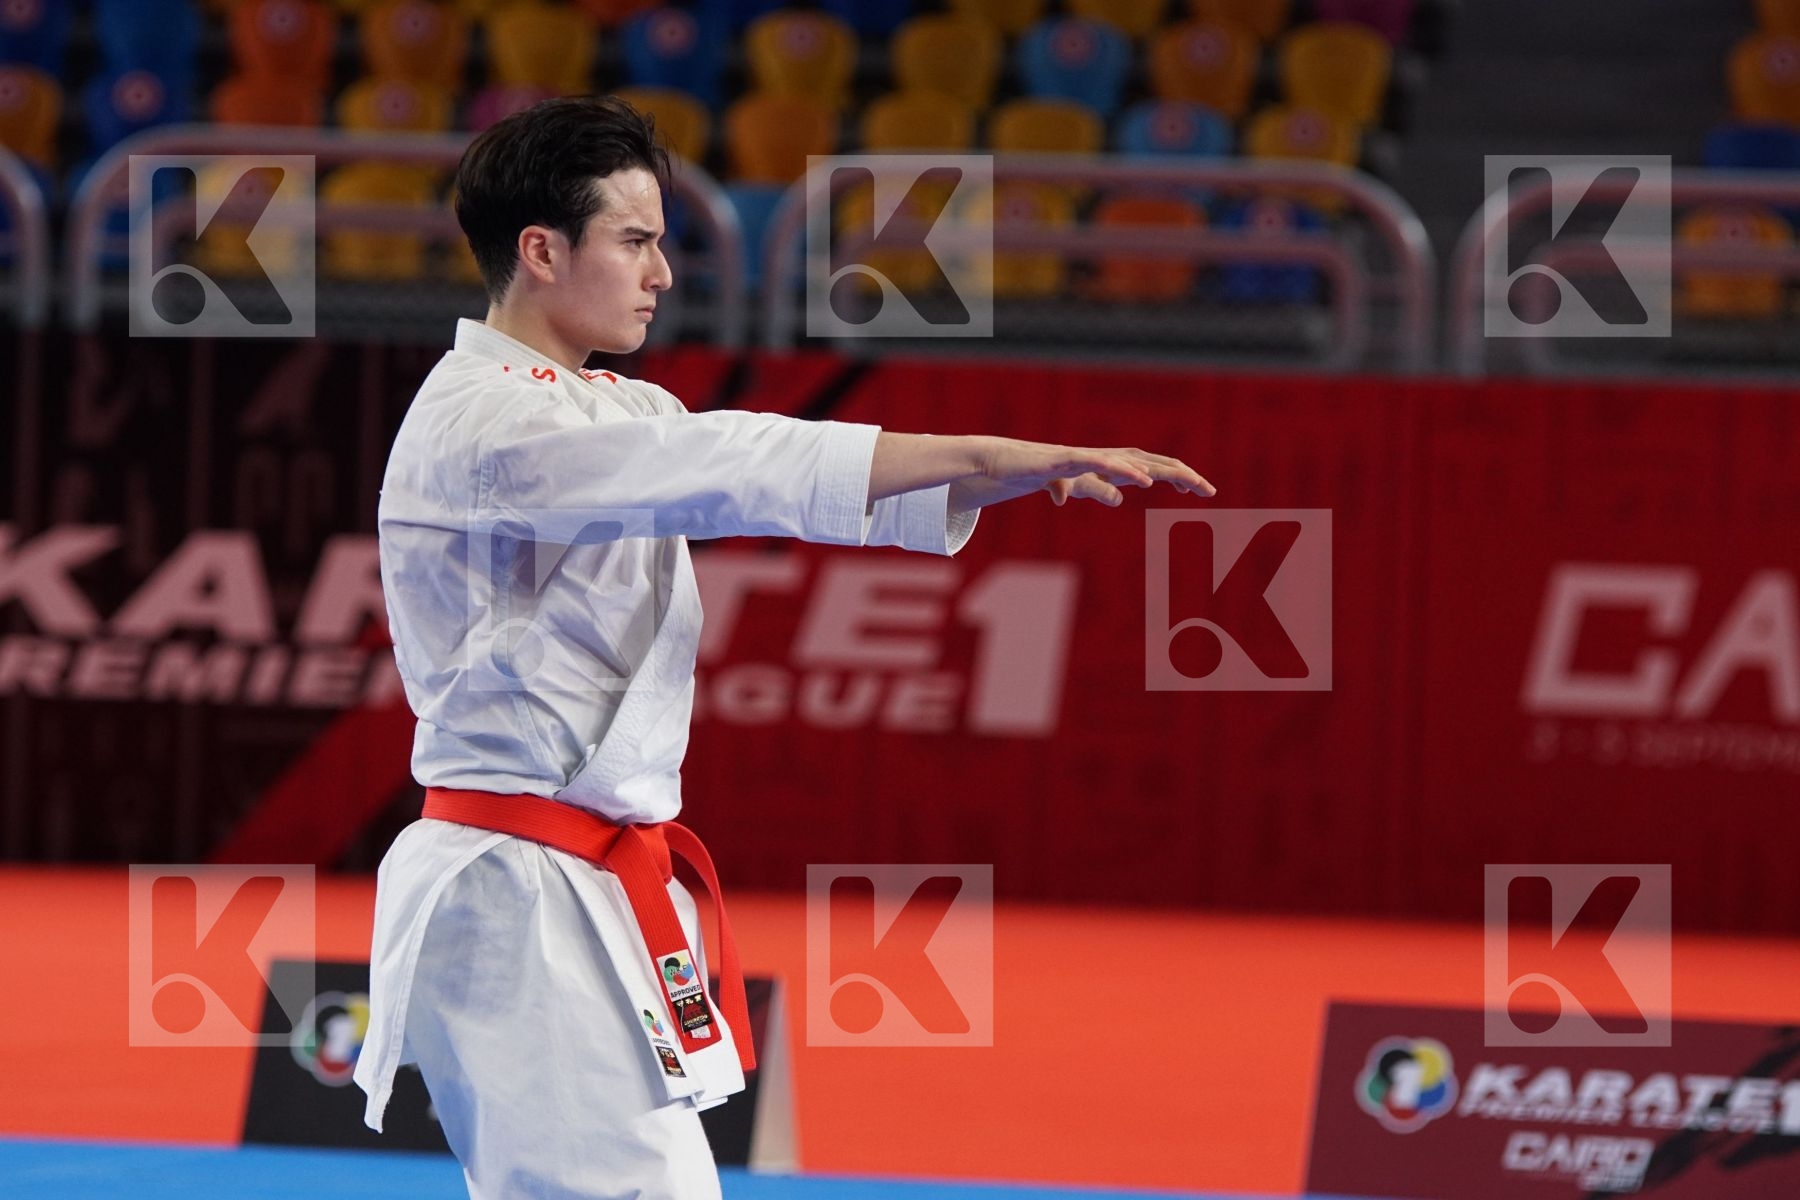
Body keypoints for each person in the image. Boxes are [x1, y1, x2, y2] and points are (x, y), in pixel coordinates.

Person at [353, 95, 1215, 1200]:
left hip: (576, 875)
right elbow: (740, 461)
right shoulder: (495, 423)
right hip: (517, 885)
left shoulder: (608, 405)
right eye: (636, 242)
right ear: (541, 251)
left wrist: (1007, 473)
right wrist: (994, 442)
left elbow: (769, 479)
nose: (662, 273)